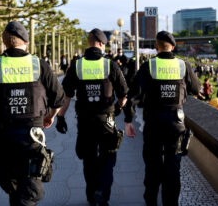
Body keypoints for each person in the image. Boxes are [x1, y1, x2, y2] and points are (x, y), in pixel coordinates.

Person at [0, 21, 65, 206]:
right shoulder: (40, 65)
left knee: (12, 184)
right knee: (30, 185)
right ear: (26, 42)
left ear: (5, 43)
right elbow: (59, 99)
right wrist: (50, 116)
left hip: (3, 135)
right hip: (32, 134)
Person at [56, 28, 135, 205]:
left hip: (84, 121)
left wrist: (60, 117)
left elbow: (66, 96)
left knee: (89, 160)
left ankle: (92, 196)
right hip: (106, 120)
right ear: (101, 44)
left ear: (89, 43)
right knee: (108, 157)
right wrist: (119, 110)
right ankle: (103, 193)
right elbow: (124, 95)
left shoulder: (77, 65)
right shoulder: (110, 65)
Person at [124, 31, 201, 206]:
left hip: (153, 123)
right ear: (173, 47)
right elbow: (196, 89)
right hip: (176, 123)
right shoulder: (183, 65)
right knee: (173, 169)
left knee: (152, 168)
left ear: (156, 47)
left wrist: (128, 120)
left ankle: (151, 201)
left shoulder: (148, 66)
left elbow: (133, 95)